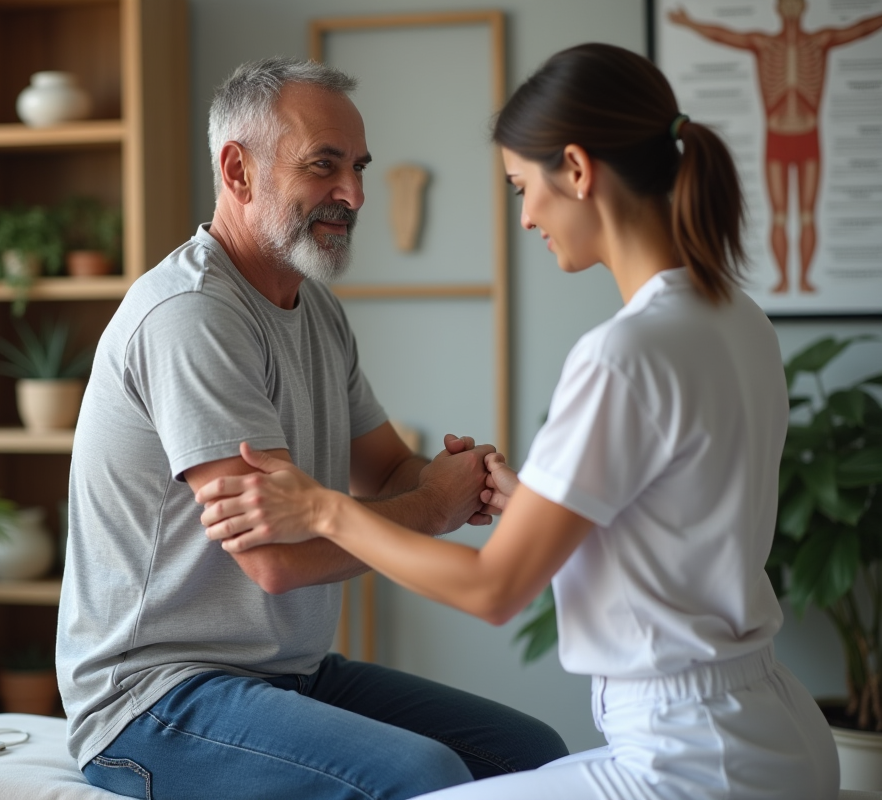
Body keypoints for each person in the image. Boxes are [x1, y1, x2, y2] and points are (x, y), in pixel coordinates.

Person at [198, 43, 840, 800]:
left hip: (686, 759)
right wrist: (535, 500)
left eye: (521, 187)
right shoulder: (736, 318)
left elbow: (493, 590)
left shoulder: (623, 353)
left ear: (576, 169)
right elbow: (674, 519)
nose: (528, 215)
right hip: (779, 732)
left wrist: (321, 507)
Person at [55, 56, 568, 800]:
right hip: (152, 701)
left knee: (533, 754)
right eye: (324, 166)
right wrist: (433, 508)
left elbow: (389, 471)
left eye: (357, 167)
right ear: (237, 171)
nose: (353, 193)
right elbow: (275, 560)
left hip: (286, 675)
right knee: (424, 775)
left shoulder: (315, 309)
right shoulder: (192, 315)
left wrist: (457, 478)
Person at [669, 0, 882, 294]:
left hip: (809, 136)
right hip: (776, 138)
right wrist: (690, 23)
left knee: (807, 213)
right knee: (779, 213)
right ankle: (784, 279)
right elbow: (723, 34)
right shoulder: (763, 43)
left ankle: (804, 279)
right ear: (779, 8)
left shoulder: (821, 41)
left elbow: (860, 29)